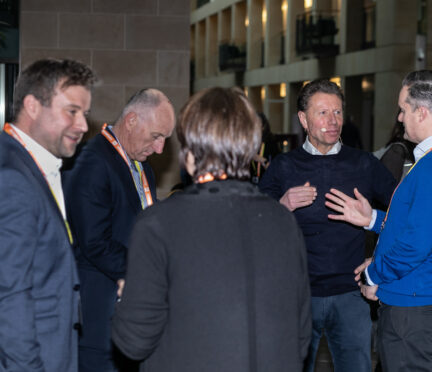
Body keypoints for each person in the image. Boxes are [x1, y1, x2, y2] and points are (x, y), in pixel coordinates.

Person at [112, 87, 311, 371]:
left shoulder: (158, 224)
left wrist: (127, 296)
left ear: (190, 154)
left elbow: (133, 341)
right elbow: (301, 338)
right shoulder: (283, 221)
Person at [324, 70, 432, 371]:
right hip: (424, 303)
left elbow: (414, 246)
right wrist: (373, 219)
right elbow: (421, 226)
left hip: (415, 308)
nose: (400, 118)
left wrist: (373, 275)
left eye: (403, 110)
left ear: (422, 112)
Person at [259, 79, 395, 372]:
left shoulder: (364, 164)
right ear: (303, 119)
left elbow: (404, 216)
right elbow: (253, 226)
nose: (333, 121)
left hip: (351, 294)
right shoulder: (283, 167)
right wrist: (281, 205)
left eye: (337, 113)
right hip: (297, 296)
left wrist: (381, 261)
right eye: (323, 113)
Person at [62, 88, 176, 372]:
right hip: (99, 315)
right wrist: (149, 272)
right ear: (132, 120)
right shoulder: (92, 161)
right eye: (156, 136)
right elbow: (95, 243)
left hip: (128, 316)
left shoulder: (142, 167)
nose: (161, 148)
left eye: (165, 139)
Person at [0, 58, 96, 371]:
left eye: (85, 114)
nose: (83, 125)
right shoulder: (13, 178)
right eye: (72, 111)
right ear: (32, 106)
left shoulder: (30, 166)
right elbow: (9, 294)